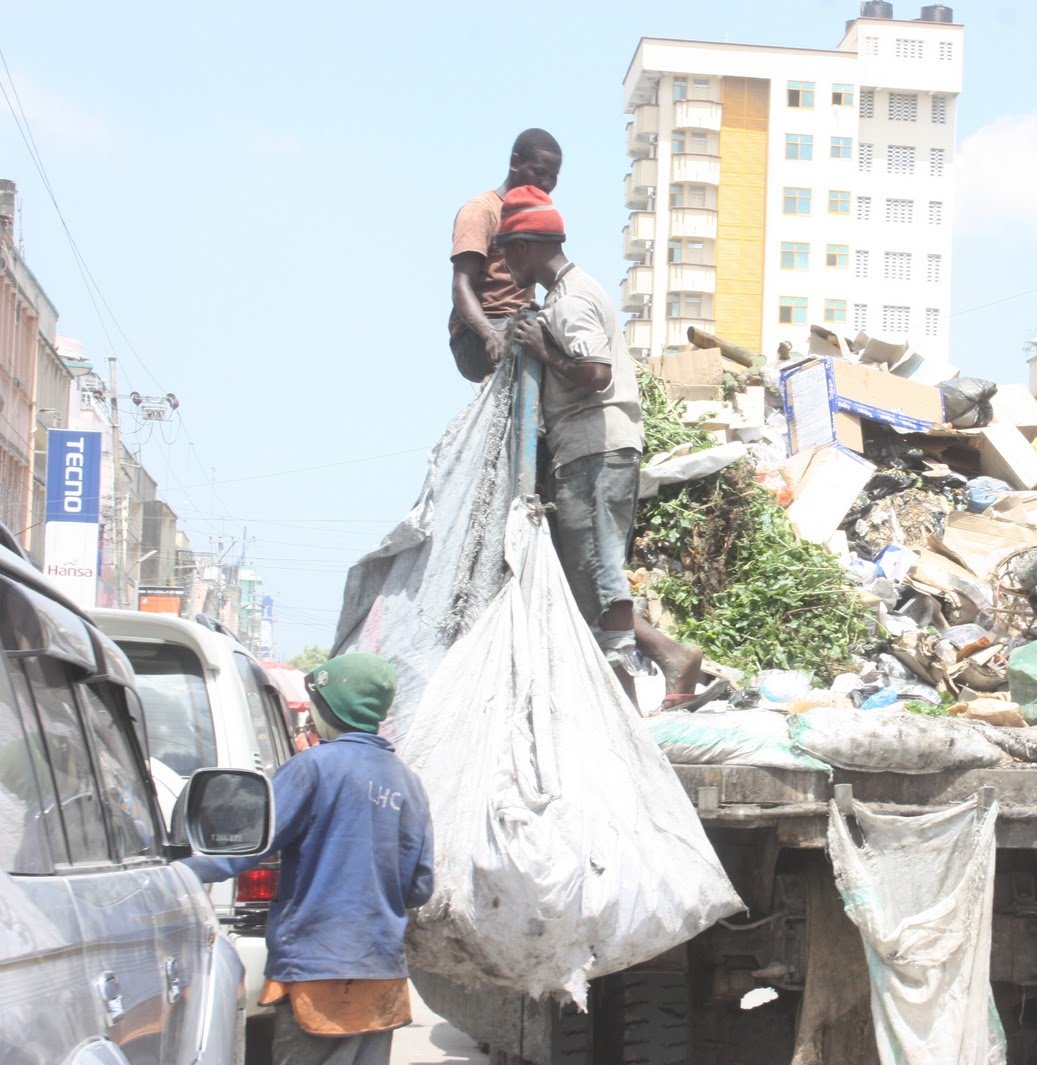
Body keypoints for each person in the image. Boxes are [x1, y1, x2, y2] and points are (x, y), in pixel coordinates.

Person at [493, 184, 716, 711]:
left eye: (505, 251)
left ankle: (628, 688)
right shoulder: (570, 294)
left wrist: (544, 352)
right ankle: (660, 660)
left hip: (595, 448)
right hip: (593, 449)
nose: (503, 264)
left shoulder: (570, 303)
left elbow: (595, 374)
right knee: (584, 577)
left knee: (598, 571)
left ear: (525, 247)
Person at [185, 652, 434, 1065]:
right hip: (379, 970)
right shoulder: (408, 782)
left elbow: (248, 844)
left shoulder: (312, 768)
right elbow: (420, 887)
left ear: (329, 708)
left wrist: (182, 874)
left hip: (315, 968)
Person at [448, 129, 563, 383]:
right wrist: (489, 334)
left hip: (520, 319)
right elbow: (460, 285)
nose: (546, 184)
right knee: (529, 349)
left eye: (553, 177)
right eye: (539, 173)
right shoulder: (481, 211)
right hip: (476, 334)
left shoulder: (536, 216)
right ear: (515, 163)